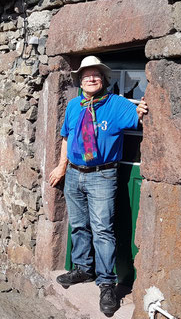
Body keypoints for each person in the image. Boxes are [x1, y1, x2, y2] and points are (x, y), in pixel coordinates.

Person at [48, 55, 148, 317]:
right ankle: (83, 267)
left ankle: (107, 284)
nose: (90, 79)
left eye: (95, 75)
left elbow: (139, 114)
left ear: (104, 80)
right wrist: (61, 166)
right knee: (79, 225)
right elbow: (66, 138)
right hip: (74, 174)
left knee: (103, 229)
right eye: (85, 76)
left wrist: (142, 109)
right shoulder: (74, 106)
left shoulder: (117, 105)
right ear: (80, 81)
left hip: (102, 175)